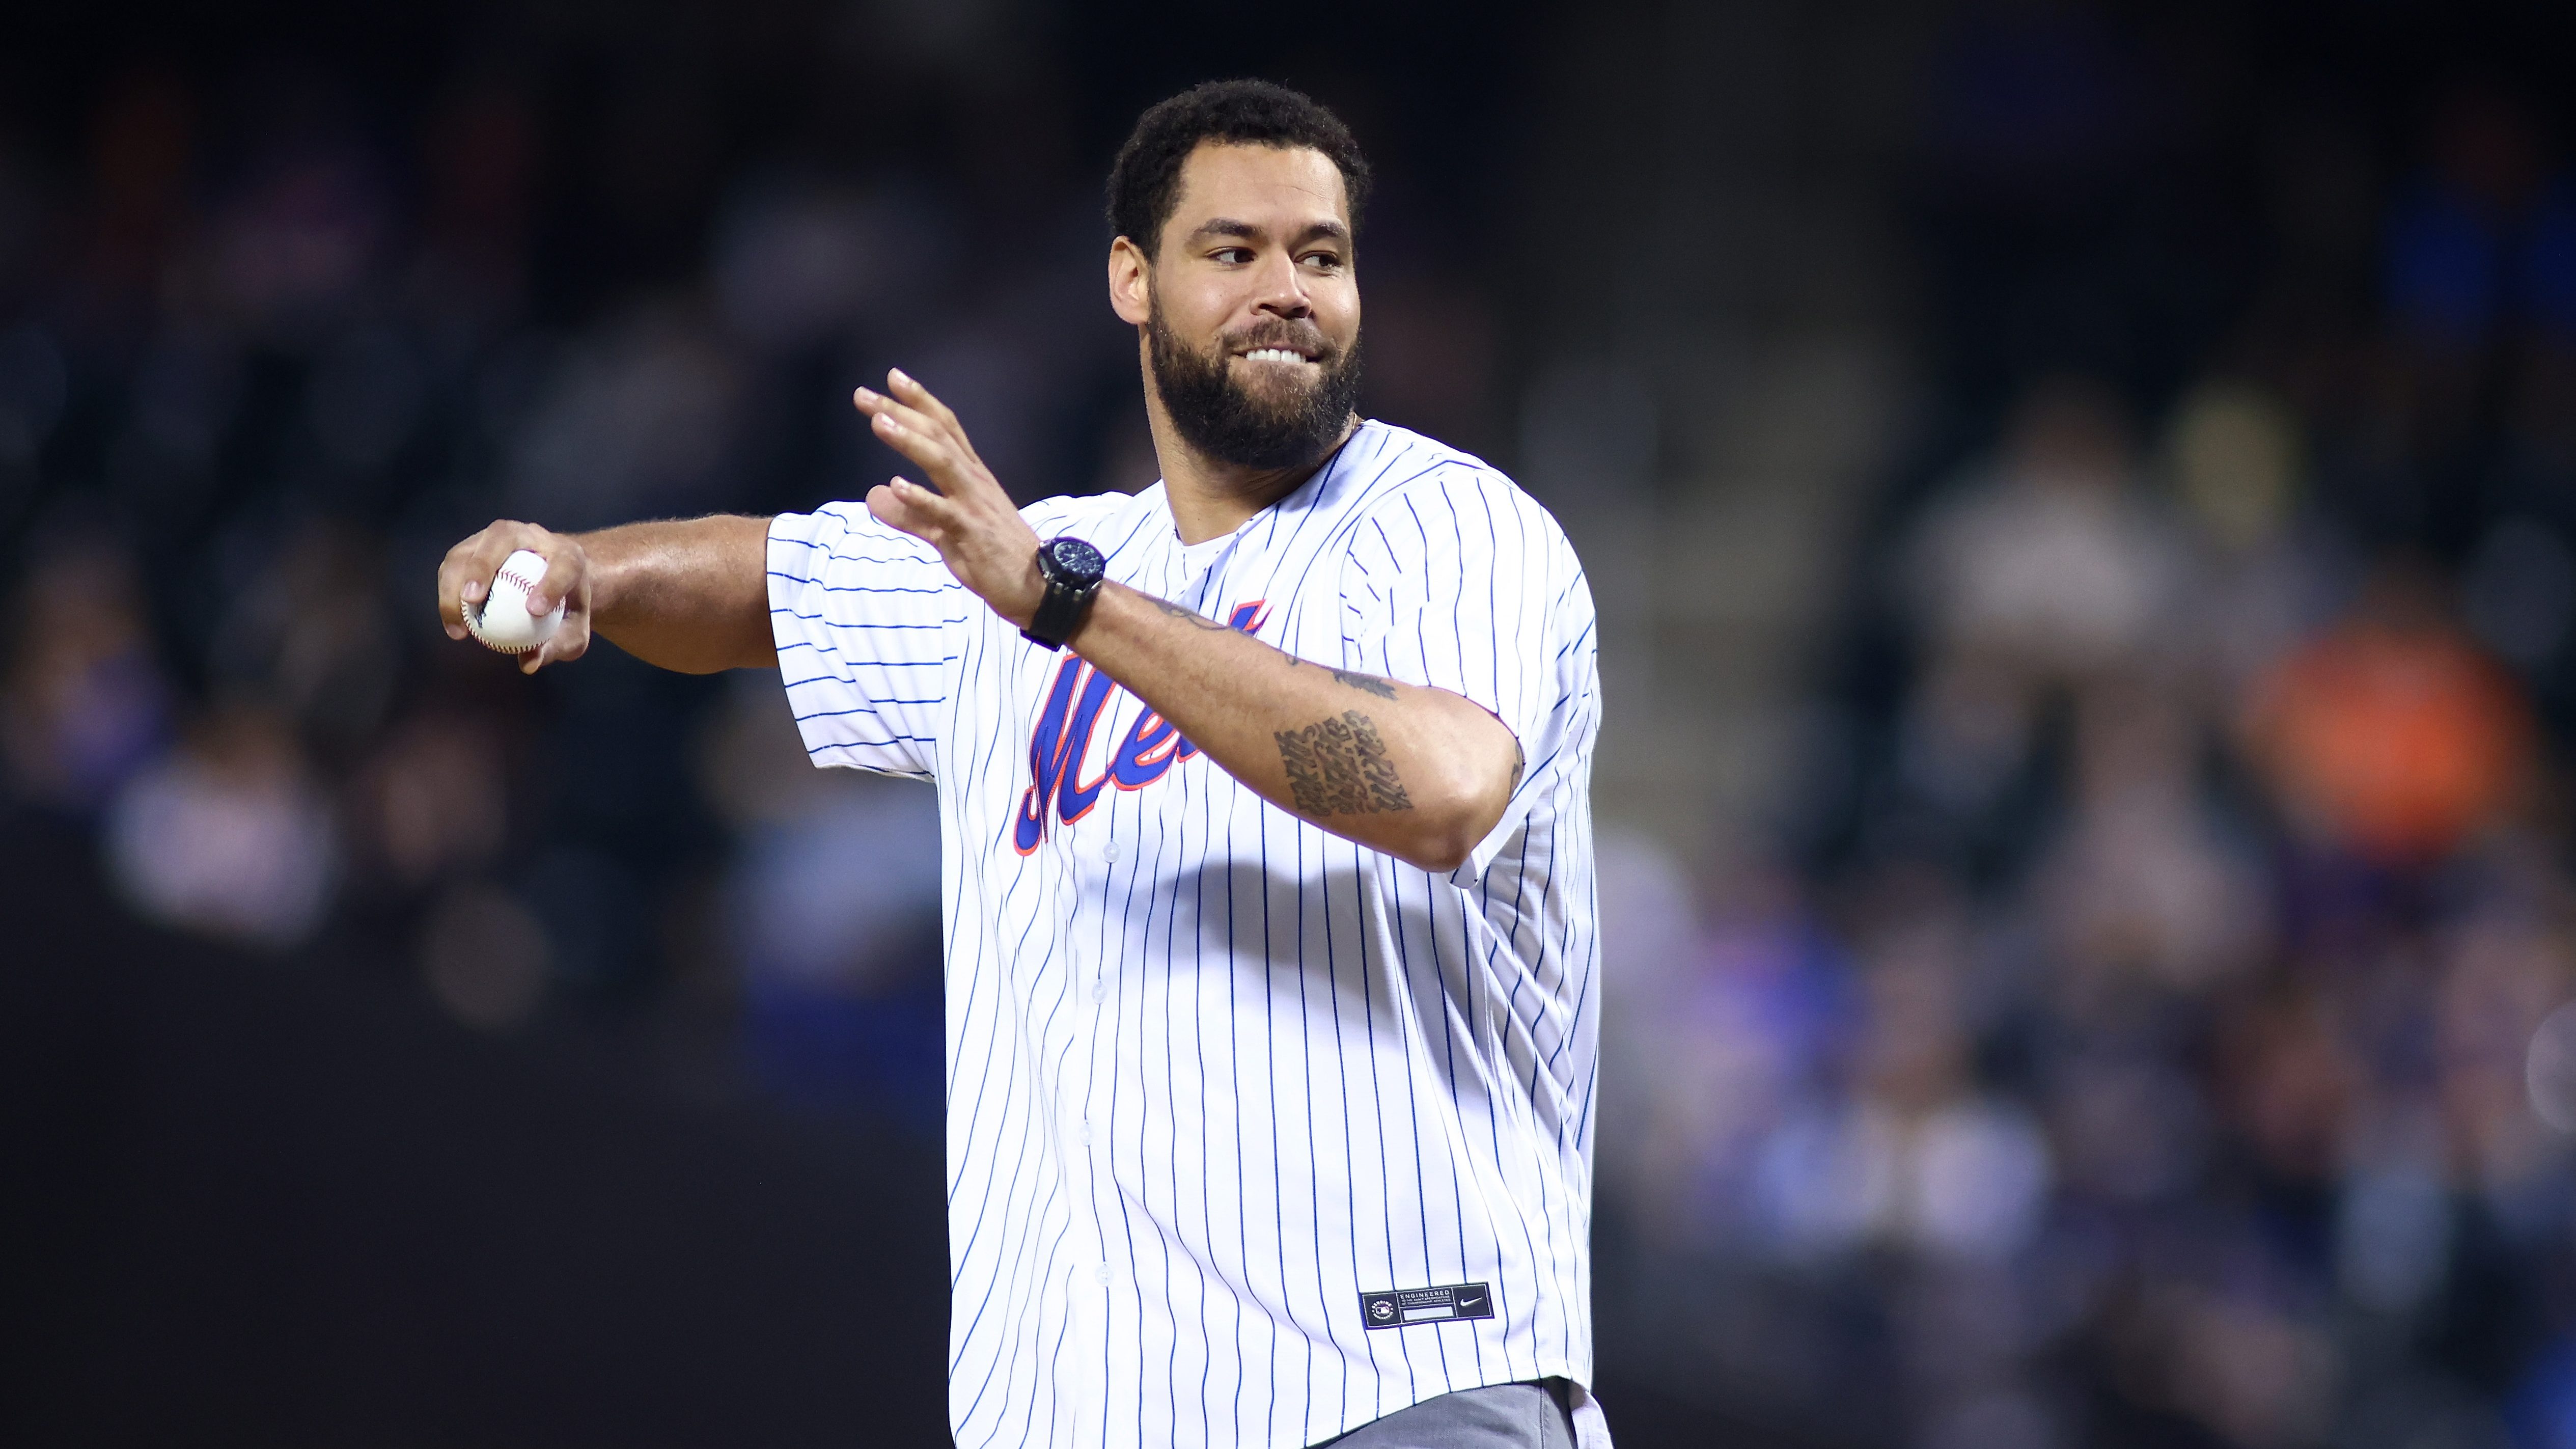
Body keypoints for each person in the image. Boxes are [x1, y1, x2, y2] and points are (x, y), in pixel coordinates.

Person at [436, 80, 1604, 1449]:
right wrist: (585, 566)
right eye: (1234, 251)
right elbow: (766, 584)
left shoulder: (1445, 528)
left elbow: (1439, 787)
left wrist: (1066, 604)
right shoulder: (1028, 566)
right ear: (1131, 278)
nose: (1286, 289)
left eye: (1322, 257)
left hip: (1394, 1388)